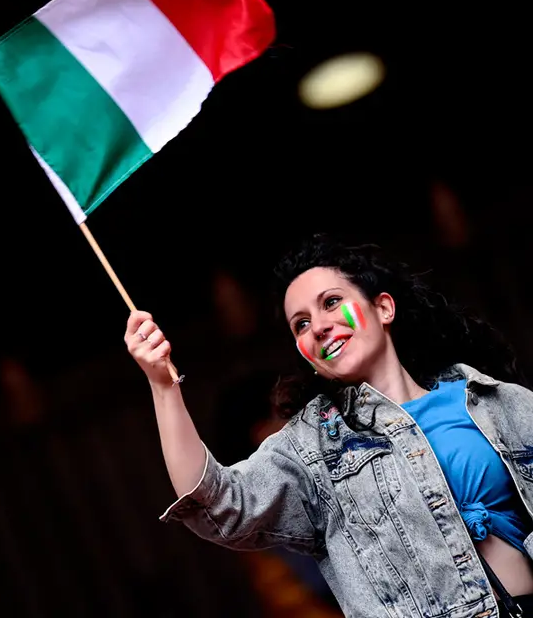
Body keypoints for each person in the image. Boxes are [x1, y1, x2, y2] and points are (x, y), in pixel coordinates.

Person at [126, 235, 533, 617]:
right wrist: (162, 386)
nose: (317, 326)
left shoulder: (490, 400)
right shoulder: (311, 446)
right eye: (300, 324)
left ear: (384, 308)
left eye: (331, 302)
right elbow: (220, 504)